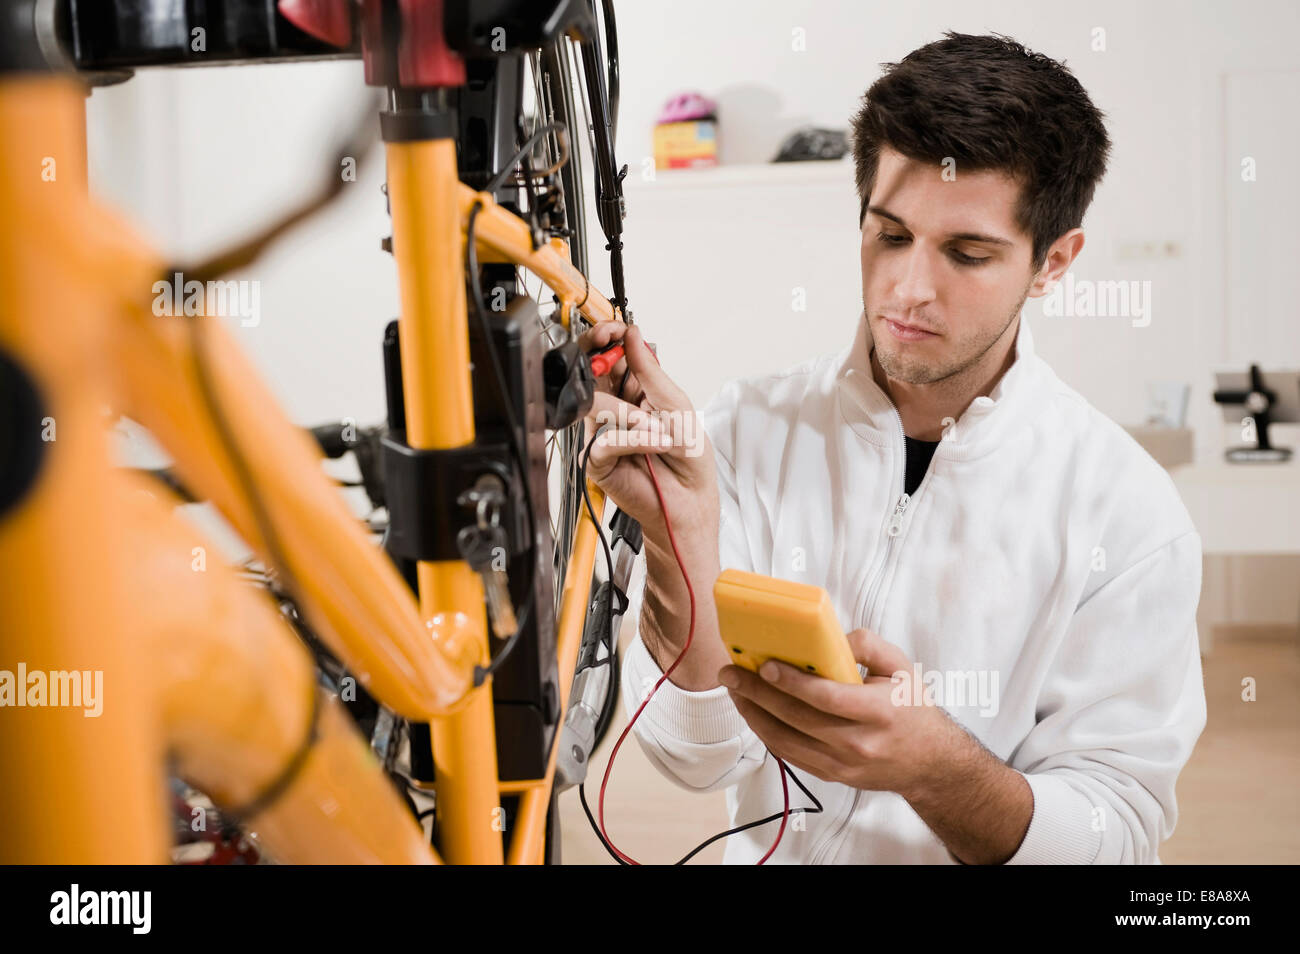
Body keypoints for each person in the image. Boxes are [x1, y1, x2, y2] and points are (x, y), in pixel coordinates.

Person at [580, 31, 1206, 864]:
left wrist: (936, 769)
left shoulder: (1127, 516)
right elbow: (696, 762)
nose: (908, 289)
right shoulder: (749, 428)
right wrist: (679, 540)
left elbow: (1116, 837)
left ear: (1054, 261)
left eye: (967, 252)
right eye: (891, 234)